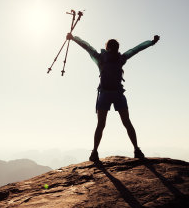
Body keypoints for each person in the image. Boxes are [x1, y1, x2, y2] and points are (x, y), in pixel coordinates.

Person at [66, 32, 160, 161]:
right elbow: (136, 49)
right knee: (127, 123)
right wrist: (151, 42)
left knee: (100, 125)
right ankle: (137, 149)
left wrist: (73, 38)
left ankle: (94, 152)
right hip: (118, 94)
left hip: (105, 94)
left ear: (107, 48)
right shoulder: (120, 58)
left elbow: (87, 47)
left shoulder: (101, 59)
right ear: (117, 48)